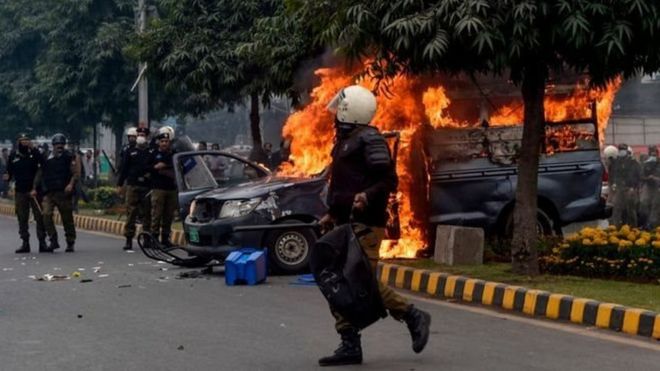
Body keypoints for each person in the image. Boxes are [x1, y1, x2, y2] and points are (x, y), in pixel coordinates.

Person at [317, 85, 430, 366]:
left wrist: (366, 196)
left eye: (339, 109)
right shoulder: (345, 140)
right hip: (343, 223)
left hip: (365, 224)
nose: (335, 115)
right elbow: (343, 184)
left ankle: (412, 314)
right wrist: (332, 212)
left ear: (348, 111)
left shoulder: (370, 139)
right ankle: (349, 343)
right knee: (336, 282)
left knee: (359, 283)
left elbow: (387, 180)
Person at [5, 133, 48, 253]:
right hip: (20, 191)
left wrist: (34, 149)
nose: (24, 142)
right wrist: (7, 177)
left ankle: (42, 242)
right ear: (18, 142)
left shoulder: (34, 154)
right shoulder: (13, 155)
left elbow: (44, 164)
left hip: (34, 191)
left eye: (26, 140)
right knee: (22, 217)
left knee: (40, 216)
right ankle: (25, 242)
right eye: (22, 140)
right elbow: (9, 172)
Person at [39, 133, 80, 252]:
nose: (59, 146)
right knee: (46, 215)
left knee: (67, 218)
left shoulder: (69, 157)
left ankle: (70, 241)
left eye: (61, 144)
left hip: (63, 193)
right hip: (49, 192)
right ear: (53, 145)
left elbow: (75, 174)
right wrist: (33, 187)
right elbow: (40, 173)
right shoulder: (46, 157)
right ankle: (53, 239)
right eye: (57, 144)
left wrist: (70, 184)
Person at [117, 127, 153, 250]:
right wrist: (120, 184)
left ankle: (147, 239)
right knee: (131, 212)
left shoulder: (151, 151)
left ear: (147, 136)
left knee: (147, 213)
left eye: (143, 134)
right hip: (132, 185)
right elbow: (124, 169)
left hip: (146, 186)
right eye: (139, 134)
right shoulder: (130, 151)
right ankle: (128, 239)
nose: (141, 136)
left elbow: (154, 168)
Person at [149, 131, 178, 247]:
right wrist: (155, 167)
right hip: (158, 188)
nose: (164, 144)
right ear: (159, 143)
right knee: (157, 214)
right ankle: (154, 238)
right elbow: (147, 167)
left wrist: (164, 166)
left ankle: (166, 238)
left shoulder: (173, 154)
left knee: (168, 215)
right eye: (162, 141)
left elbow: (175, 165)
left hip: (171, 187)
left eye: (166, 141)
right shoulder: (153, 154)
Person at [610, 143, 641, 227]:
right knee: (616, 209)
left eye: (623, 149)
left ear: (627, 151)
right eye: (620, 149)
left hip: (630, 189)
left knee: (631, 210)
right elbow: (613, 175)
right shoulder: (616, 162)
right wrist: (614, 185)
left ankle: (633, 228)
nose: (621, 151)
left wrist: (634, 187)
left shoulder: (633, 162)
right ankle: (615, 228)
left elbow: (638, 176)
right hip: (619, 189)